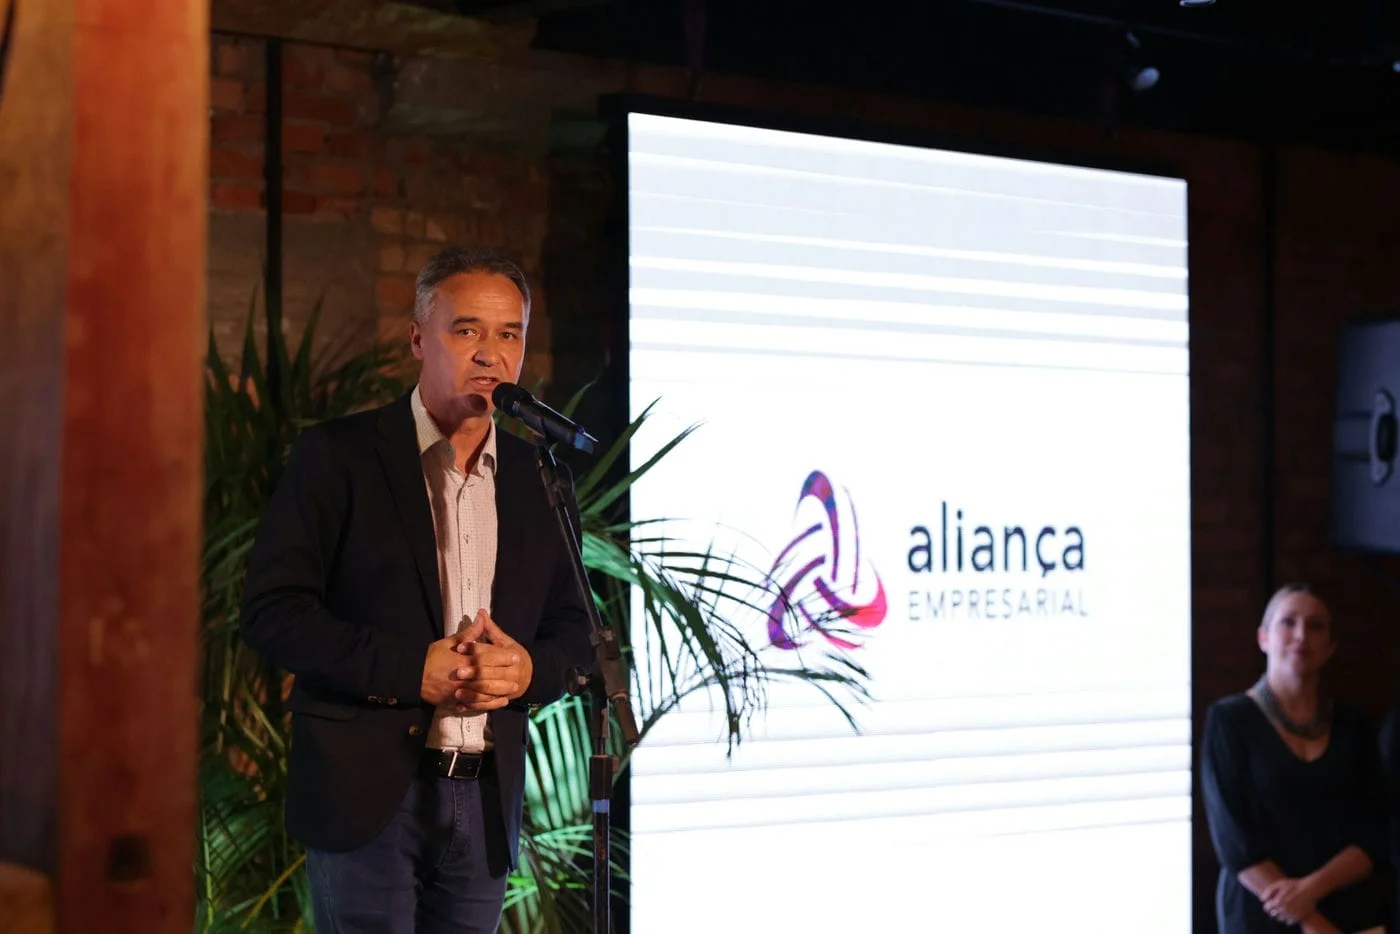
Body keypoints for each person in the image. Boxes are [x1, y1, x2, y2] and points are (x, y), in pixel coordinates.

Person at [240, 245, 593, 933]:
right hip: (367, 799)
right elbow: (272, 613)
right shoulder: (338, 457)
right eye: (467, 330)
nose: (490, 354)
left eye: (509, 334)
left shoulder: (540, 478)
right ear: (417, 339)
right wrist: (409, 670)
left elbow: (576, 633)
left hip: (485, 797)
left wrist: (527, 670)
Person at [1201, 583, 1387, 934]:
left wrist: (1311, 890)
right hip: (1261, 913)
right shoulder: (1229, 720)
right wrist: (1310, 921)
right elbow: (1234, 841)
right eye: (1288, 622)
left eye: (1316, 626)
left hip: (1345, 909)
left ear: (1330, 646)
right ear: (1263, 638)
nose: (1302, 635)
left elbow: (1374, 833)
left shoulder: (1354, 725)